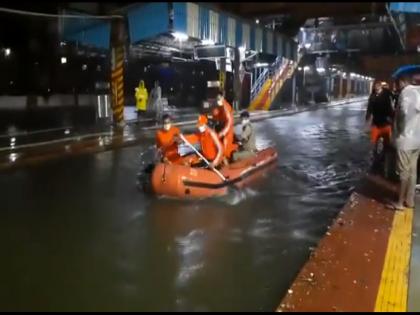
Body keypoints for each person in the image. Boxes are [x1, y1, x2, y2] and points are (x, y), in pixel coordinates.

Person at [388, 75, 420, 210]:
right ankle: (410, 200)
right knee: (413, 171)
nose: (397, 87)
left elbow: (403, 113)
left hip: (405, 139)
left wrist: (398, 132)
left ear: (402, 82)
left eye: (397, 84)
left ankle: (400, 203)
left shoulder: (405, 93)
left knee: (403, 172)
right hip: (418, 139)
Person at [365, 81, 394, 149]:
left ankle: (384, 153)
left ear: (381, 87)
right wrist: (367, 117)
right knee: (374, 141)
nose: (377, 90)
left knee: (387, 141)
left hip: (385, 121)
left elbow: (389, 107)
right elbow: (369, 107)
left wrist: (391, 116)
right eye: (376, 89)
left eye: (378, 89)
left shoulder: (386, 94)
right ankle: (375, 154)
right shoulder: (373, 96)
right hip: (377, 122)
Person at [212, 93, 237, 161]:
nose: (217, 101)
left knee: (226, 146)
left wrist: (223, 132)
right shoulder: (220, 106)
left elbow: (229, 121)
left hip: (227, 129)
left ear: (222, 98)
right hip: (222, 126)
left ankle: (227, 158)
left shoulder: (226, 107)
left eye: (218, 99)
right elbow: (217, 114)